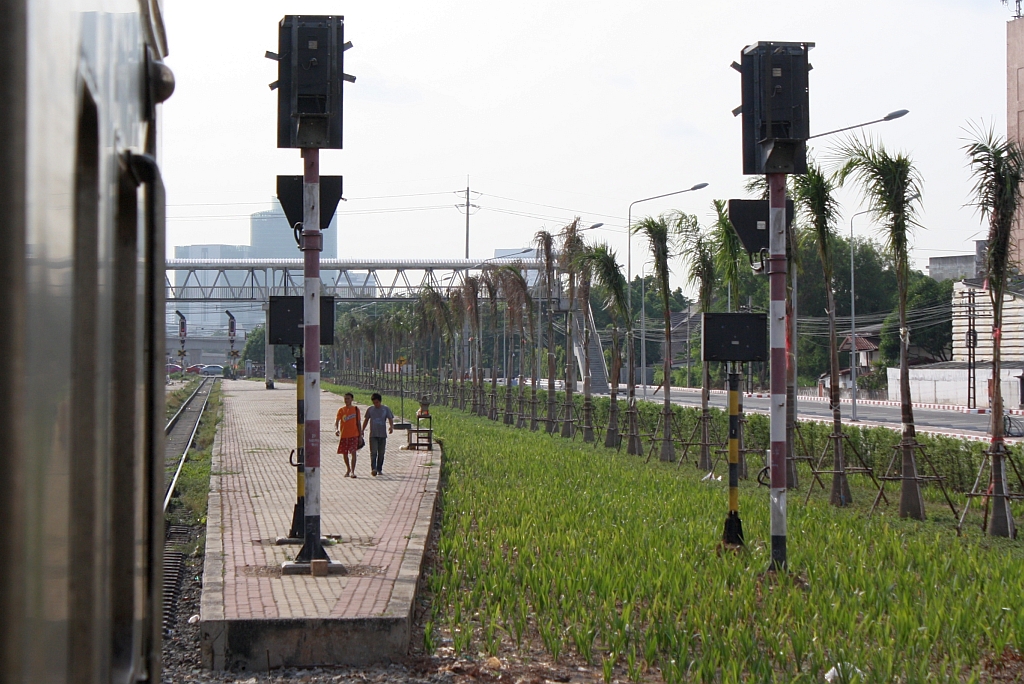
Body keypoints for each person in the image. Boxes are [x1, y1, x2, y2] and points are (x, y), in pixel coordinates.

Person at [361, 393, 394, 477]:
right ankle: (374, 469)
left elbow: (390, 418)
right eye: (374, 403)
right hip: (373, 434)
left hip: (382, 434)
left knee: (381, 453)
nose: (376, 404)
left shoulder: (385, 409)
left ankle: (379, 469)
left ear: (380, 401)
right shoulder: (370, 409)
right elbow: (366, 420)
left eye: (377, 402)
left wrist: (391, 427)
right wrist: (362, 430)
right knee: (373, 452)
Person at [334, 393, 361, 478]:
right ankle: (348, 469)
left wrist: (360, 435)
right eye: (345, 399)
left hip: (354, 434)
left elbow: (358, 423)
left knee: (353, 452)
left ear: (352, 399)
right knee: (344, 453)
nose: (347, 400)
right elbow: (337, 421)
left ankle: (353, 471)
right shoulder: (341, 410)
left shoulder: (356, 409)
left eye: (348, 399)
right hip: (344, 435)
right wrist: (336, 429)